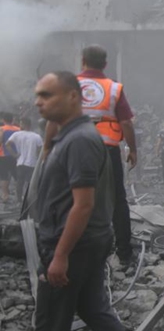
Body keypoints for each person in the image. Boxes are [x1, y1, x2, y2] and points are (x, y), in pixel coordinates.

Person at [0, 72, 157, 331]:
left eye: (47, 95)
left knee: (50, 322)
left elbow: (83, 204)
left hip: (74, 245)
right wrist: (47, 141)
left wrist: (60, 256)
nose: (39, 101)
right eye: (38, 94)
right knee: (95, 311)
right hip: (82, 243)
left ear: (73, 97)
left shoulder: (82, 140)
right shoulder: (67, 136)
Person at [56, 45, 138, 265]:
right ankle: (124, 253)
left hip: (75, 148)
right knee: (116, 199)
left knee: (71, 197)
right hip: (107, 149)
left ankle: (70, 249)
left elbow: (55, 118)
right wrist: (133, 149)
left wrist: (48, 148)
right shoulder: (113, 88)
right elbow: (126, 123)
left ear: (82, 61)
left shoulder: (68, 84)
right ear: (105, 64)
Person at [6, 117, 42, 202]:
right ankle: (30, 199)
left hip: (20, 162)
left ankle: (19, 200)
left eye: (21, 123)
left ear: (25, 124)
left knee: (20, 182)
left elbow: (8, 144)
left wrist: (14, 155)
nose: (20, 125)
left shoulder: (16, 135)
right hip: (32, 163)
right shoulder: (36, 136)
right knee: (31, 183)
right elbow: (40, 150)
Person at [0, 112, 20, 203]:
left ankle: (5, 196)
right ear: (12, 119)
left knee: (4, 176)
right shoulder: (18, 129)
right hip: (16, 156)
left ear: (3, 120)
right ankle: (19, 195)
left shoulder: (1, 129)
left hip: (3, 155)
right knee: (16, 176)